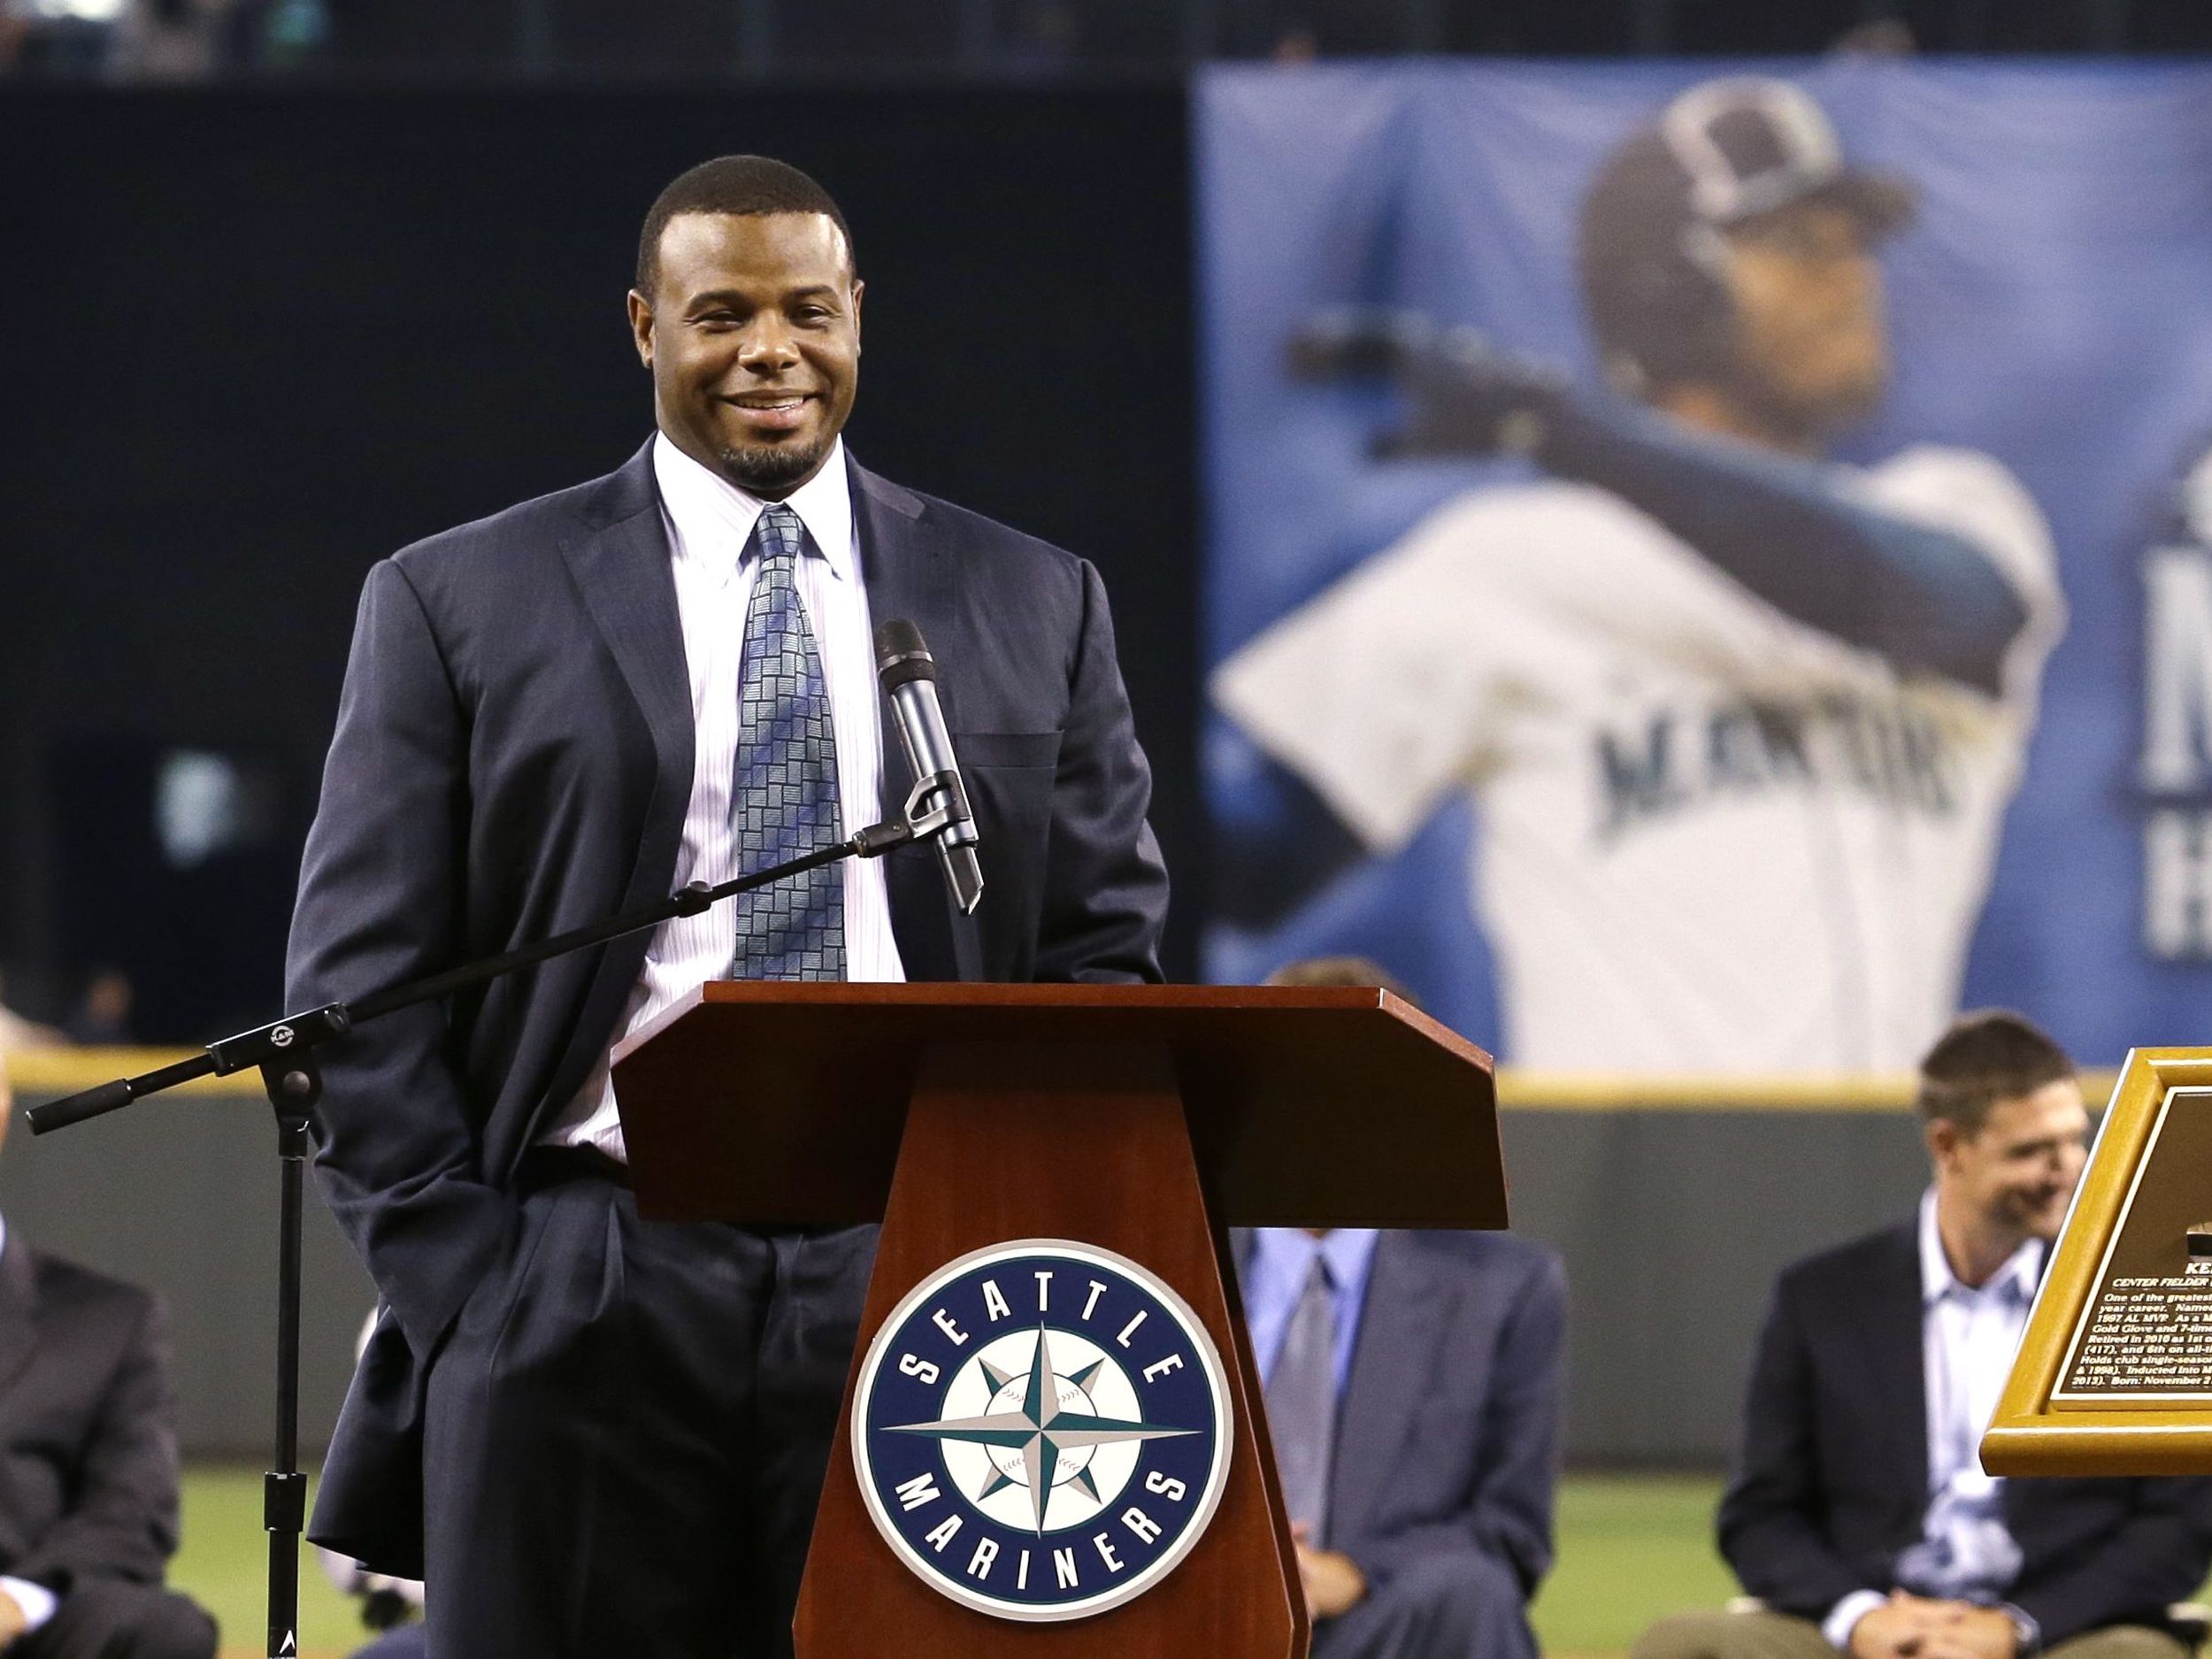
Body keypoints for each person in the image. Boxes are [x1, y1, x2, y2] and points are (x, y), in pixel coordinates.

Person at [285, 154, 1167, 1659]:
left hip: (922, 1280)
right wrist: (473, 1288)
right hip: (586, 1268)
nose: (772, 349)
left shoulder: (1034, 597)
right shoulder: (458, 597)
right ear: (645, 326)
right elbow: (359, 991)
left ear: (859, 322)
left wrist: (1017, 1243)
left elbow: (1100, 966)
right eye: (723, 314)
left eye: (807, 311)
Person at [1211, 75, 2065, 1072]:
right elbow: (1248, 854)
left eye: (1853, 246)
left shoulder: (1950, 508)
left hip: (1894, 1199)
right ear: (1666, 289)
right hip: (1627, 1198)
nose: (1853, 278)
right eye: (1799, 246)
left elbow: (1950, 609)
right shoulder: (1513, 560)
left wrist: (1560, 429)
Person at [1634, 1011, 2212, 1659]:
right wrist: (1861, 1618)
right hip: (1877, 1629)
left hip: (2058, 1636)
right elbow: (1761, 1517)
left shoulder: (2131, 1295)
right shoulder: (1821, 1297)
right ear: (1948, 1145)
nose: (2068, 1169)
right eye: (2030, 1150)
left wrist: (2018, 1625)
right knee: (1681, 1644)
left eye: (2074, 1140)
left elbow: (2179, 1526)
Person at [1240, 957, 1565, 1659]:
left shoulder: (1503, 1288)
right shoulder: (1162, 1258)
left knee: (1474, 1596)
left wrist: (1351, 1574)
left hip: (1375, 1620)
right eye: (1290, 1076)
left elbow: (1509, 1530)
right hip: (1187, 1612)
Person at [0, 1058, 219, 1659]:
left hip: (24, 1619)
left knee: (164, 1628)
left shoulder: (108, 1320)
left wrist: (17, 1599)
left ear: (1, 1106)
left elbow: (131, 1512)